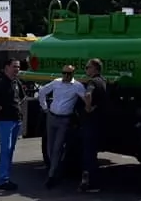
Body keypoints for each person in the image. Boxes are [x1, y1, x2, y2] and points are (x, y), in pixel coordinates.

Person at [37, 64, 87, 189]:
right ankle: (55, 168)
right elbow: (42, 91)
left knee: (57, 147)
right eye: (64, 73)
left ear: (73, 74)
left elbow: (87, 99)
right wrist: (45, 108)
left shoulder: (77, 86)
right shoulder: (56, 82)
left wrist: (89, 109)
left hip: (65, 119)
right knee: (49, 146)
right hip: (52, 116)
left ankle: (52, 175)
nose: (65, 76)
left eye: (68, 74)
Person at [0, 59, 25, 191]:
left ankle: (6, 177)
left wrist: (16, 107)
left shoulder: (16, 82)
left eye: (18, 67)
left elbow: (22, 97)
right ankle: (3, 180)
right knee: (5, 150)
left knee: (10, 150)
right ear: (6, 67)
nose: (17, 69)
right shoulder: (1, 83)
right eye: (14, 67)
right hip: (5, 121)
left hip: (16, 120)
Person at [79, 58, 107, 192]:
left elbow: (88, 94)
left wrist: (88, 107)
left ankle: (90, 183)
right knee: (93, 153)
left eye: (88, 67)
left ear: (95, 68)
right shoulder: (103, 81)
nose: (86, 70)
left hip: (90, 121)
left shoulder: (92, 82)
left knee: (88, 153)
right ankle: (94, 182)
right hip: (99, 121)